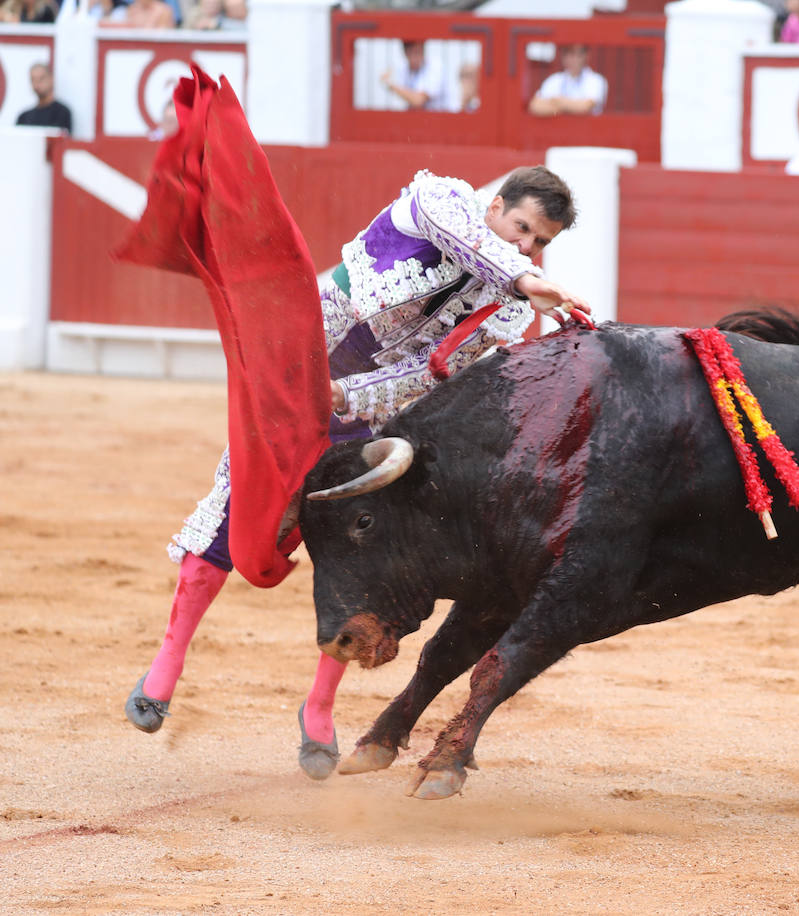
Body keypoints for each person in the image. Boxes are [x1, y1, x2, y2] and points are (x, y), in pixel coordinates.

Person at [124, 166, 591, 780]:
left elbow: (427, 374)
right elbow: (459, 239)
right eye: (522, 227)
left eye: (540, 242)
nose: (527, 245)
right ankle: (166, 664)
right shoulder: (441, 198)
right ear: (496, 205)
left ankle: (319, 706)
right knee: (237, 504)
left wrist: (344, 397)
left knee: (362, 553)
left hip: (366, 411)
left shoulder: (508, 314)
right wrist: (526, 277)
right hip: (301, 363)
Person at [528, 44, 608, 117]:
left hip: (588, 131)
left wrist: (554, 102)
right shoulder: (554, 80)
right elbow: (535, 106)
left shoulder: (596, 80)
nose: (573, 59)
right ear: (563, 57)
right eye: (569, 54)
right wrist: (570, 107)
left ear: (586, 56)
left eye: (578, 55)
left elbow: (585, 107)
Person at [382, 40, 446, 111]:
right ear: (405, 52)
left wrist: (391, 85)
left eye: (419, 51)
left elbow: (418, 101)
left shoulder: (435, 66)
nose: (416, 57)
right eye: (413, 52)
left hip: (441, 118)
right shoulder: (403, 68)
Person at [16, 63, 72, 133]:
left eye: (41, 79)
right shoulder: (23, 117)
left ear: (51, 79)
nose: (37, 84)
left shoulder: (62, 113)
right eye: (33, 79)